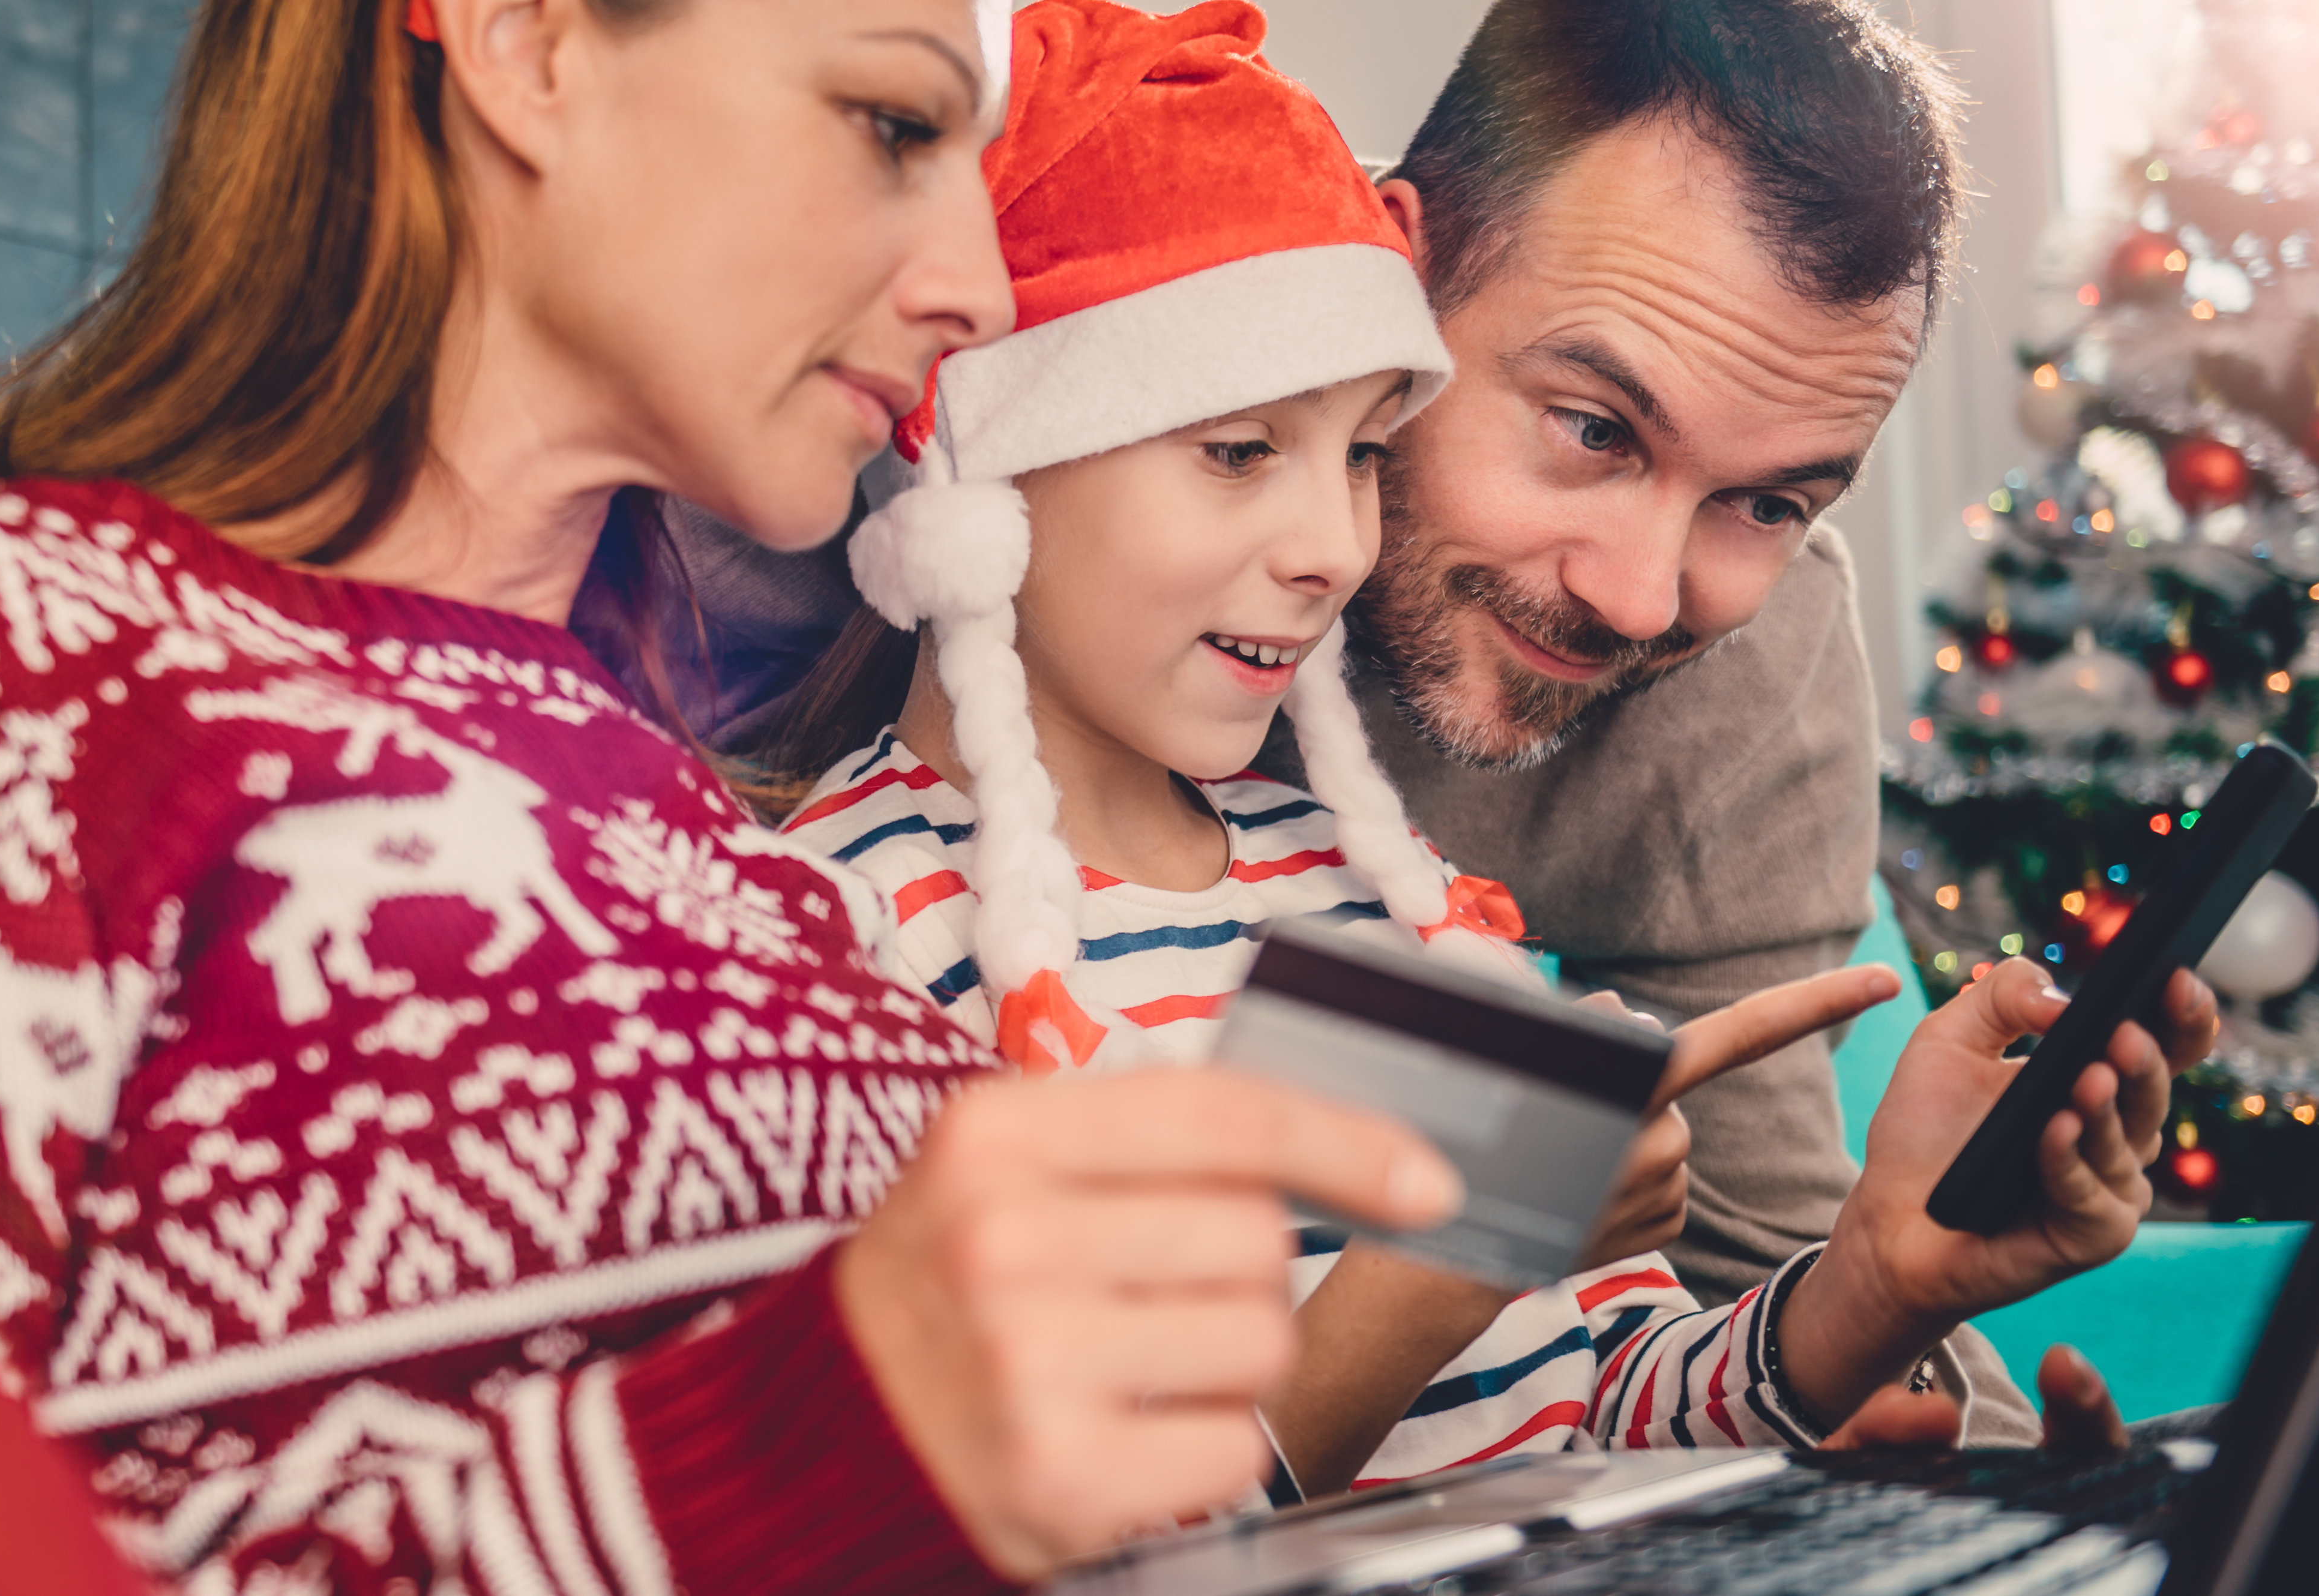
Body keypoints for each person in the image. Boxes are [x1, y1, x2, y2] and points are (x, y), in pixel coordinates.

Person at [0, 0, 1493, 1589]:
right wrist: (783, 1457)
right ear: (525, 36)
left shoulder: (716, 855)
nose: (972, 286)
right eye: (891, 126)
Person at [600, 0, 2082, 1442]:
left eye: (1359, 453)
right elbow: (963, 1511)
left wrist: (1890, 1310)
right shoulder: (816, 889)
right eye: (1589, 426)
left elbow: (1584, 1378)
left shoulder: (1383, 908)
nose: (1640, 600)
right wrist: (1442, 1269)